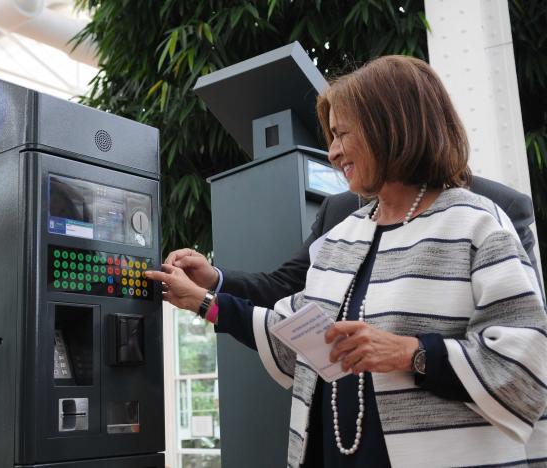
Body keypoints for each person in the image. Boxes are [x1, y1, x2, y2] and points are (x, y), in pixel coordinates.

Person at [147, 55, 547, 467]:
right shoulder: (343, 235)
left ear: (390, 127)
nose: (333, 152)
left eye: (342, 135)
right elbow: (295, 337)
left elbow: (524, 364)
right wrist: (201, 300)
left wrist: (412, 352)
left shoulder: (477, 223)